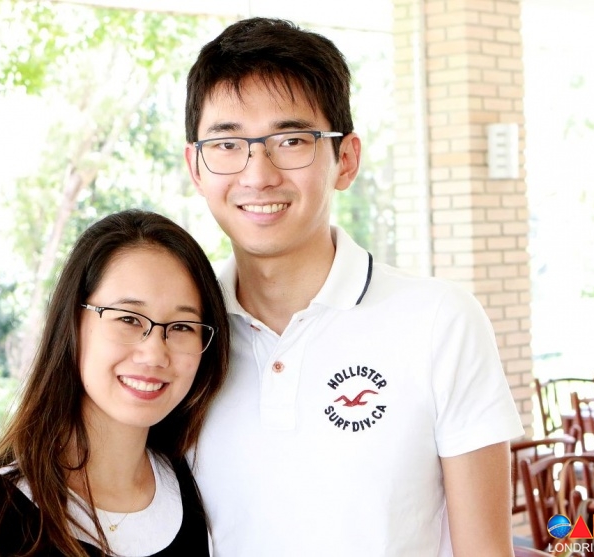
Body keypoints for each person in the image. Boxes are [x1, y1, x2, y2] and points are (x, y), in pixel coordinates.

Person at [183, 17, 524, 557]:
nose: (257, 174)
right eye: (227, 144)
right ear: (196, 167)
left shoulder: (441, 321)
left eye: (291, 140)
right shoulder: (178, 337)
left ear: (346, 160)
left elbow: (484, 550)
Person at [0, 209, 229, 557]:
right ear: (72, 322)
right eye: (129, 319)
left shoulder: (198, 490)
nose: (154, 354)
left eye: (181, 327)